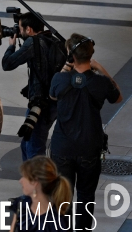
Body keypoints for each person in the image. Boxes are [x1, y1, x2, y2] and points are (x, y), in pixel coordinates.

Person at [49, 33, 122, 230]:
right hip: (89, 147)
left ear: (70, 56)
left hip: (62, 148)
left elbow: (52, 96)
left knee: (63, 196)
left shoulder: (60, 79)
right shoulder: (101, 83)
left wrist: (66, 66)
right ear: (91, 55)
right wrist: (100, 69)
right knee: (86, 196)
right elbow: (118, 97)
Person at [2, 12, 61, 161]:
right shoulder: (51, 39)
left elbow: (7, 64)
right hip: (53, 101)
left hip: (41, 104)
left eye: (20, 28)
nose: (19, 32)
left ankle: (36, 182)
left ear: (28, 29)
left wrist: (11, 46)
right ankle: (29, 179)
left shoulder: (33, 43)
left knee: (34, 148)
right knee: (27, 143)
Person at [9, 156, 72, 232]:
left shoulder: (58, 223)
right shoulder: (21, 205)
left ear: (35, 182)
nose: (20, 180)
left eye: (25, 177)